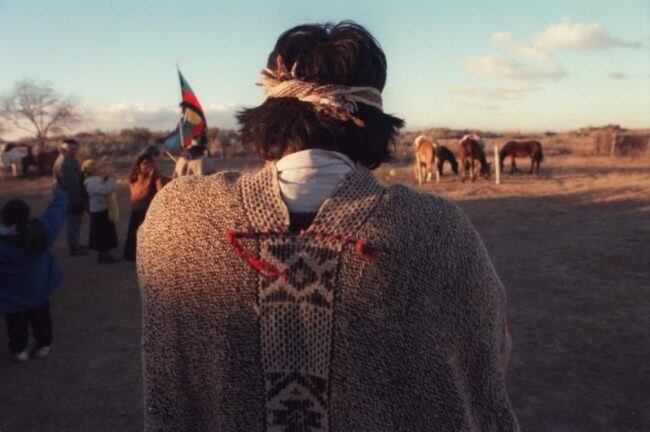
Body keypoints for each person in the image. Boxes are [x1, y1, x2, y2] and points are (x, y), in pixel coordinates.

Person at [138, 22, 519, 431]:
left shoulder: (175, 217)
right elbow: (488, 350)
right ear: (372, 124)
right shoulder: (438, 231)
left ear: (267, 117)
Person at [1, 188, 67, 362]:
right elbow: (56, 212)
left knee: (15, 322)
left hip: (11, 294)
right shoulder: (42, 231)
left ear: (5, 220)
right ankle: (43, 346)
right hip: (38, 287)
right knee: (41, 318)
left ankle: (20, 350)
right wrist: (60, 194)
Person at [123, 150, 168, 262]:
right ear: (153, 156)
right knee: (146, 231)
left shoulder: (136, 167)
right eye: (157, 157)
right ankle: (145, 256)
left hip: (136, 202)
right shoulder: (152, 168)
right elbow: (159, 185)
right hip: (147, 203)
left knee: (134, 229)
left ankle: (130, 255)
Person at [53, 139, 87, 256]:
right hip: (70, 196)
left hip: (69, 195)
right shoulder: (65, 163)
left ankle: (75, 244)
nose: (74, 151)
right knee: (73, 221)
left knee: (75, 222)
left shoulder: (69, 160)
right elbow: (71, 185)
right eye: (71, 149)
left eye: (75, 149)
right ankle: (74, 248)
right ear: (63, 149)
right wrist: (77, 201)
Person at [82, 159, 119, 264]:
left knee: (103, 235)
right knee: (104, 235)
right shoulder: (92, 182)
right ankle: (105, 256)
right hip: (100, 211)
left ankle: (104, 255)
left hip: (100, 210)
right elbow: (105, 190)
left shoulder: (92, 181)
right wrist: (111, 179)